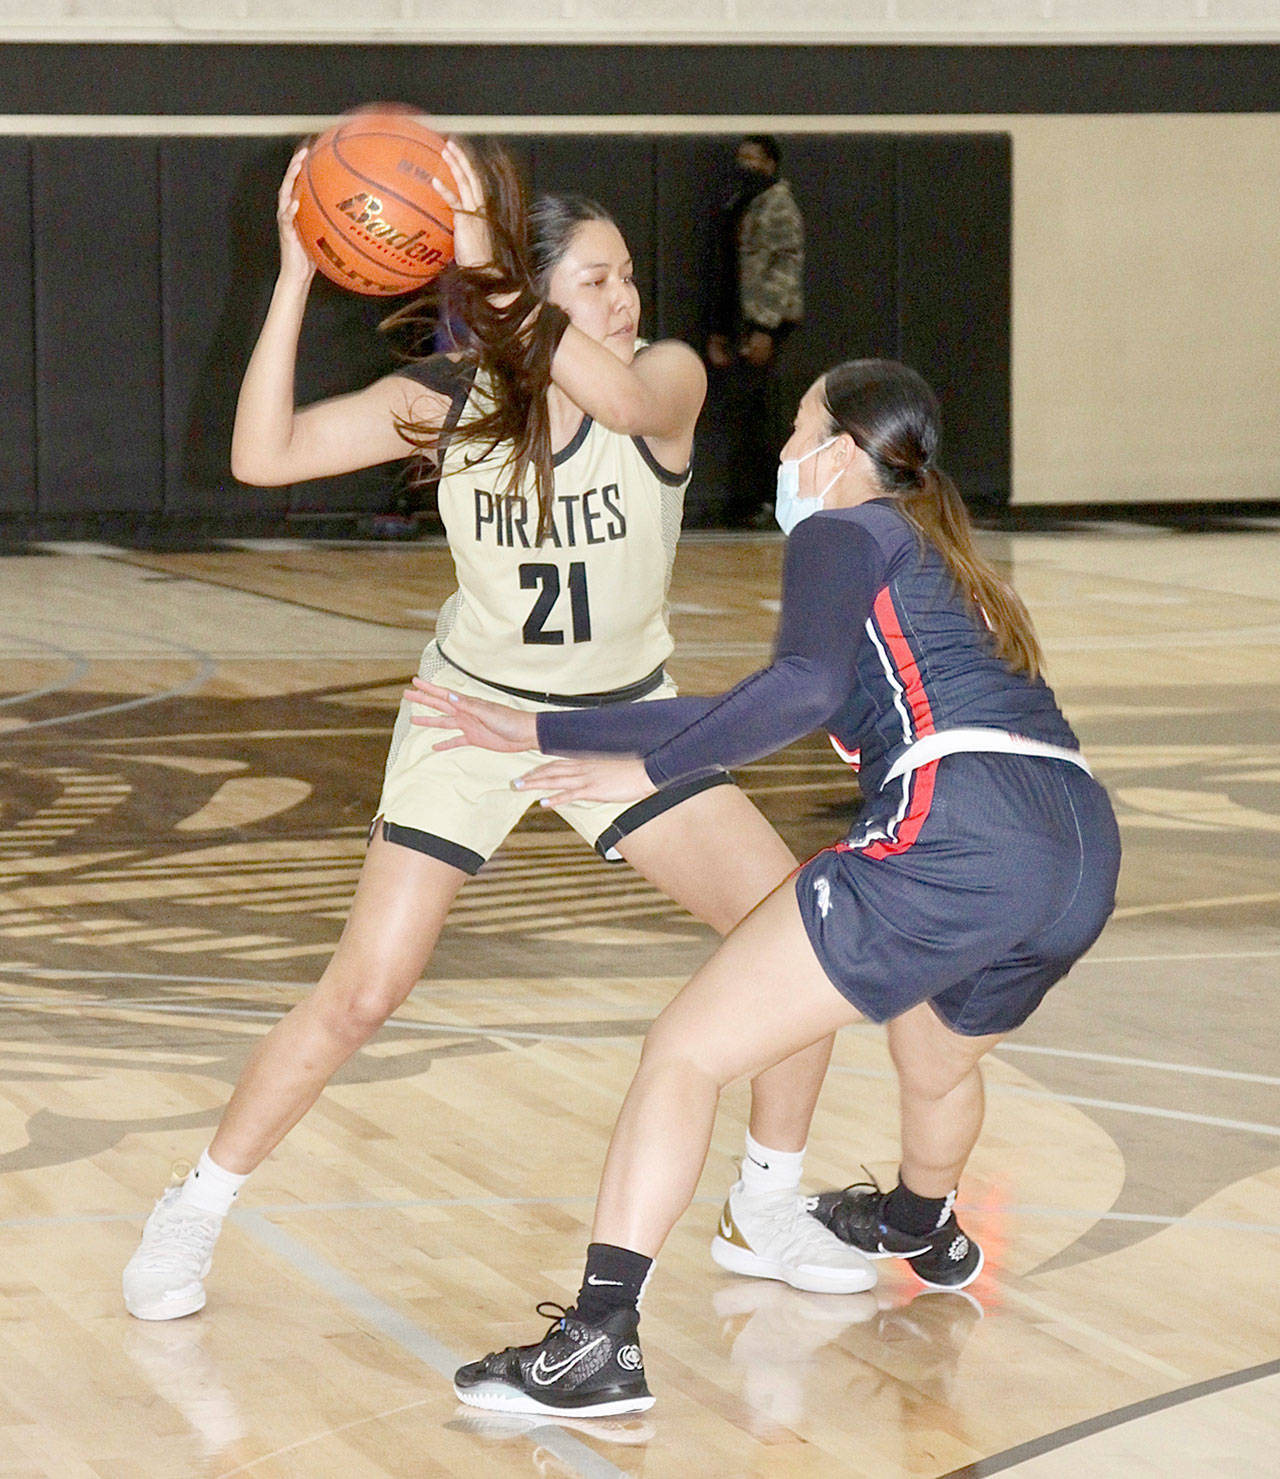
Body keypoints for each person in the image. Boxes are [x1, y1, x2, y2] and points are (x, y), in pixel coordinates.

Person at [121, 137, 874, 1323]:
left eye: (625, 276)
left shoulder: (662, 379)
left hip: (616, 726)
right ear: (528, 297)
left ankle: (764, 1204)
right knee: (364, 992)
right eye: (595, 281)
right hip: (469, 720)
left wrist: (498, 280)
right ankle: (196, 1204)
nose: (624, 299)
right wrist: (295, 270)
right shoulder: (449, 410)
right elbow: (259, 455)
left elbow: (617, 394)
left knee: (801, 934)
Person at [403, 358, 1121, 1416]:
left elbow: (799, 688)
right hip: (1075, 851)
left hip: (953, 831)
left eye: (794, 429)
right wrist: (548, 728)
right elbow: (753, 697)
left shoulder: (845, 528)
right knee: (934, 1054)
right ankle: (917, 1220)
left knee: (685, 1052)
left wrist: (642, 773)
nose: (782, 452)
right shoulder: (955, 568)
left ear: (839, 453)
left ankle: (599, 1341)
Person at [704, 135, 804, 528]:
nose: (744, 164)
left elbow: (785, 266)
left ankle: (773, 503)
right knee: (742, 418)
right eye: (740, 156)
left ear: (771, 164)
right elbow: (726, 267)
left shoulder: (777, 203)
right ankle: (747, 501)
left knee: (766, 416)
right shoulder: (738, 202)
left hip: (766, 324)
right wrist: (719, 329)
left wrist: (765, 328)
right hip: (738, 323)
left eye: (753, 158)